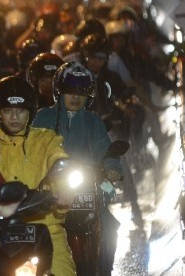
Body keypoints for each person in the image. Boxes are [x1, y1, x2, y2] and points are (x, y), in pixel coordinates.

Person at [0, 76, 76, 275]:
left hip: (46, 230)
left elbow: (59, 159)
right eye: (8, 111)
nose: (14, 117)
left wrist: (64, 188)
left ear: (30, 112)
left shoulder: (45, 139)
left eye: (21, 111)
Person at [32, 61, 123, 274]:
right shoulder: (43, 117)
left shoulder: (93, 122)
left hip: (86, 187)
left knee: (109, 226)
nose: (75, 97)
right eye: (70, 91)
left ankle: (103, 270)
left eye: (81, 92)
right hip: (49, 190)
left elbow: (105, 149)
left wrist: (112, 166)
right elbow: (31, 148)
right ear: (59, 92)